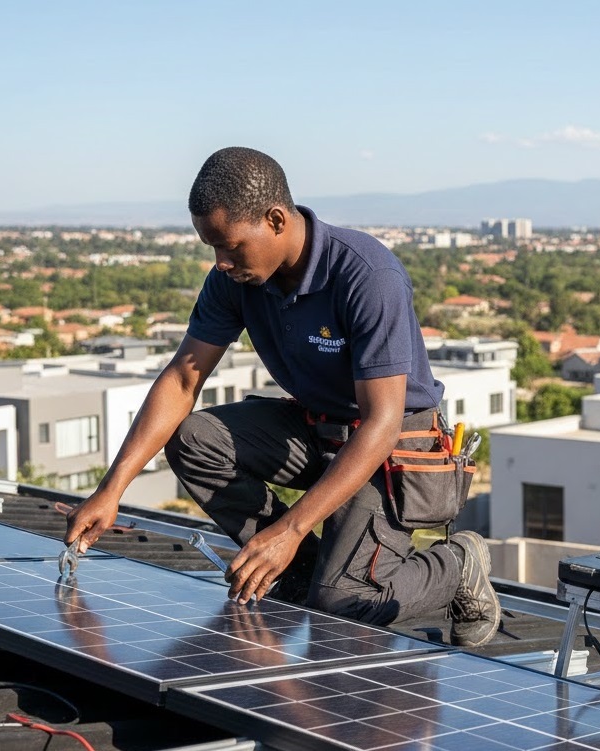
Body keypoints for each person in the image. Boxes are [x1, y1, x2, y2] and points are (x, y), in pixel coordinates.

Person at [64, 147, 500, 647]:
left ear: (275, 220)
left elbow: (382, 422)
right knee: (193, 438)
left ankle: (457, 565)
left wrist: (289, 531)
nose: (220, 262)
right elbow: (183, 379)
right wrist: (112, 489)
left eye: (229, 246)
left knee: (342, 606)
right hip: (318, 429)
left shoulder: (366, 275)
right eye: (212, 248)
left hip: (389, 446)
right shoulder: (234, 281)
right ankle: (304, 576)